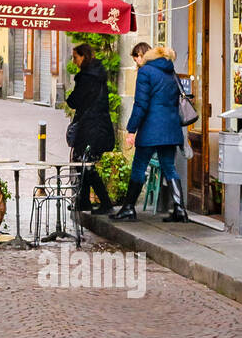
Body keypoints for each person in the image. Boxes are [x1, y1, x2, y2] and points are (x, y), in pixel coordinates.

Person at [112, 43, 188, 222]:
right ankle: (180, 210)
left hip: (151, 130)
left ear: (145, 57)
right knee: (169, 167)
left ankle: (128, 208)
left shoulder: (146, 72)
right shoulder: (171, 72)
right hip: (171, 129)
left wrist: (131, 130)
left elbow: (141, 104)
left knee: (139, 166)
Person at [66, 42, 116, 216]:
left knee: (86, 164)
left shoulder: (86, 78)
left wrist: (70, 98)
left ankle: (105, 203)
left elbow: (75, 100)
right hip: (97, 126)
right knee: (84, 163)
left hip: (90, 127)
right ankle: (84, 201)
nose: (74, 61)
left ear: (83, 56)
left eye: (75, 57)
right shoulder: (97, 75)